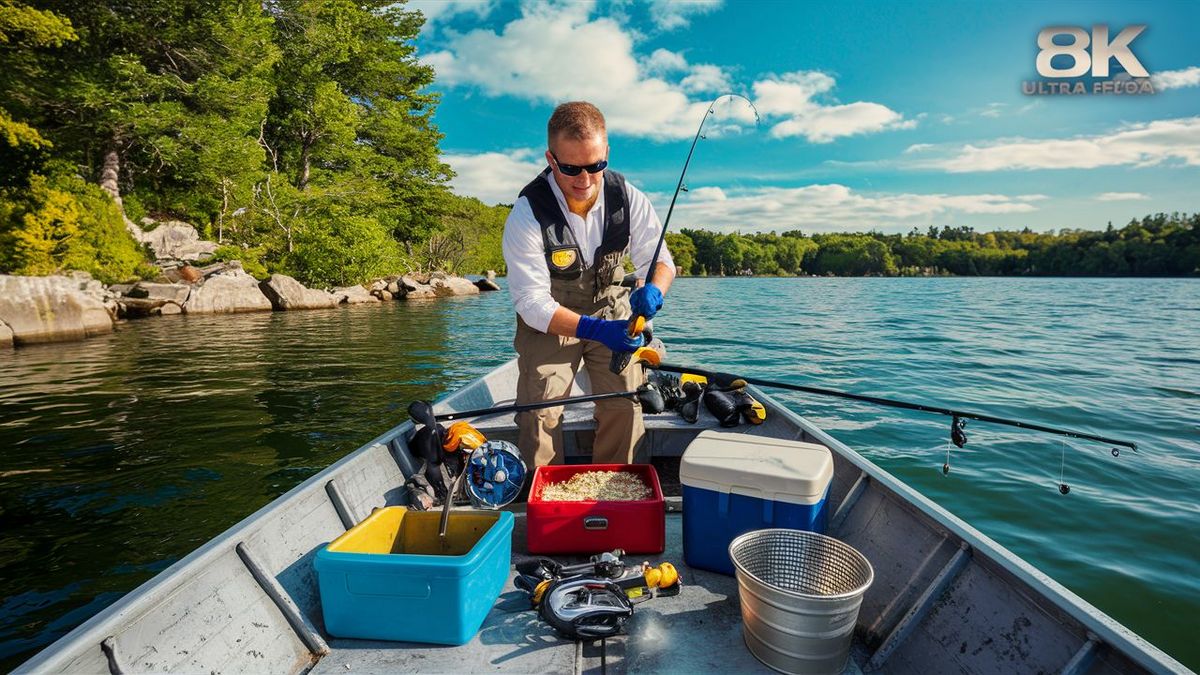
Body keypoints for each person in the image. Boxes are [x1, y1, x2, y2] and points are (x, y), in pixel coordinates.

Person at [502, 101, 675, 469]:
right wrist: (595, 329)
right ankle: (543, 496)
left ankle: (615, 491)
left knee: (625, 403)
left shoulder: (629, 198)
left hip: (613, 307)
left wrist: (655, 289)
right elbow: (531, 302)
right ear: (551, 159)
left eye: (596, 166)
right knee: (539, 411)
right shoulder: (527, 213)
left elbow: (661, 261)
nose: (585, 180)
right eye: (571, 168)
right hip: (551, 318)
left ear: (607, 153)